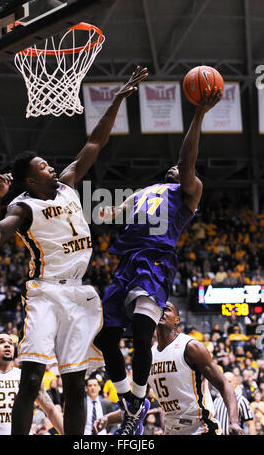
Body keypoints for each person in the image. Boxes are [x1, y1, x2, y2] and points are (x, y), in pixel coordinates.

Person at [0, 66, 148, 436]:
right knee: (31, 380)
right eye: (42, 165)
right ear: (30, 179)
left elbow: (95, 143)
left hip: (78, 292)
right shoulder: (22, 208)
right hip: (46, 292)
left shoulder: (68, 185)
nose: (50, 165)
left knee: (75, 384)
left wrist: (117, 100)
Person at [94, 88, 223, 434]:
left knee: (140, 331)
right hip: (126, 264)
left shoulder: (188, 193)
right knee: (104, 338)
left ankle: (135, 402)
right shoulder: (144, 191)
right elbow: (110, 212)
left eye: (180, 168)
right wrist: (101, 211)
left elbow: (186, 161)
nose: (174, 168)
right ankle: (133, 401)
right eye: (172, 167)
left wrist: (198, 114)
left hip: (153, 263)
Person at [93, 301, 244, 436]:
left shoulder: (191, 346)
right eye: (159, 309)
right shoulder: (146, 355)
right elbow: (138, 406)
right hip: (171, 429)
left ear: (177, 320)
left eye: (167, 309)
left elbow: (224, 384)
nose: (162, 312)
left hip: (201, 428)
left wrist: (234, 421)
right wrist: (107, 418)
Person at [0, 334, 64, 435]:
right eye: (1, 342)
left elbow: (51, 410)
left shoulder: (28, 377)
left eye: (10, 343)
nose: (7, 345)